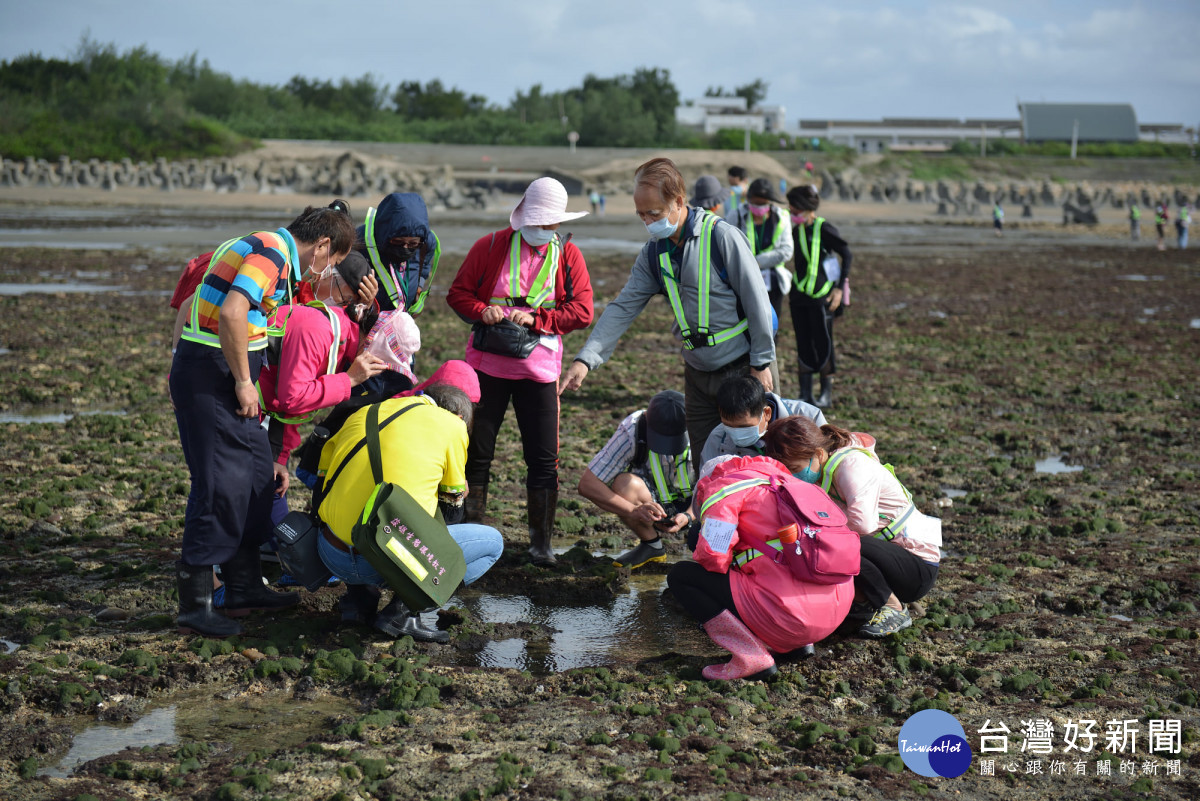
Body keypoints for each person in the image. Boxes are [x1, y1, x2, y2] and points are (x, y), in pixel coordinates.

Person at [170, 206, 356, 636]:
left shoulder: (271, 252)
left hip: (218, 371)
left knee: (257, 477)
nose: (327, 272)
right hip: (215, 375)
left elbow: (201, 302)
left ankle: (244, 586)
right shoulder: (273, 250)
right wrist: (242, 382)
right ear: (322, 246)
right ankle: (194, 606)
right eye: (333, 262)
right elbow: (234, 312)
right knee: (218, 486)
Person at [560, 158, 776, 460]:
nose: (648, 222)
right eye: (641, 215)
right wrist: (586, 360)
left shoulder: (721, 238)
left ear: (678, 201)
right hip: (697, 374)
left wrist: (762, 362)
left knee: (757, 460)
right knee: (706, 464)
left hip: (743, 367)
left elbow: (758, 303)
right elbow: (623, 307)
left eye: (654, 213)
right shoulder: (653, 253)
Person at [446, 177, 593, 565]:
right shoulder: (490, 246)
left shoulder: (569, 255)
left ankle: (540, 546)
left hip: (540, 371)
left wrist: (537, 319)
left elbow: (583, 310)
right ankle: (469, 537)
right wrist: (483, 311)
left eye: (550, 224)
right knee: (476, 454)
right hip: (487, 368)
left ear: (558, 224)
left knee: (544, 460)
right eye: (537, 221)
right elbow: (458, 294)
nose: (543, 229)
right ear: (523, 215)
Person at [314, 385, 504, 641]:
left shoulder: (363, 413)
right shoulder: (452, 426)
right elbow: (452, 509)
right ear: (460, 417)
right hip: (383, 564)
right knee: (493, 543)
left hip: (331, 554)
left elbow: (322, 481)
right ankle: (404, 611)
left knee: (364, 509)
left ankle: (359, 603)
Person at [666, 453, 854, 680]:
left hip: (790, 618)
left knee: (681, 576)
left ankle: (750, 657)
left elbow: (712, 556)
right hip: (835, 612)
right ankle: (798, 647)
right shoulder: (792, 483)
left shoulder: (724, 489)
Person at [762, 416, 941, 638]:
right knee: (823, 543)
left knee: (834, 544)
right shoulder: (822, 474)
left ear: (818, 453)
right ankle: (865, 603)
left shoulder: (851, 466)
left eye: (795, 468)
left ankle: (893, 607)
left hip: (918, 566)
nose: (793, 475)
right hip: (888, 555)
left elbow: (863, 524)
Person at [579, 390, 695, 570]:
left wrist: (690, 515)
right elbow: (588, 484)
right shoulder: (634, 428)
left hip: (699, 502)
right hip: (653, 501)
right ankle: (652, 546)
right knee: (624, 484)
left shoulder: (706, 428)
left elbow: (722, 486)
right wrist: (634, 510)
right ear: (647, 419)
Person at [786, 184, 851, 409]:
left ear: (805, 208)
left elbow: (846, 254)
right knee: (803, 342)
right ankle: (805, 393)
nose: (792, 214)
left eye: (794, 210)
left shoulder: (825, 229)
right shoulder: (795, 231)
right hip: (798, 297)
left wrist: (839, 288)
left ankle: (825, 395)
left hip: (822, 297)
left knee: (824, 343)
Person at [700, 375, 825, 468]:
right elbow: (707, 483)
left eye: (744, 427)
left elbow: (833, 464)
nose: (736, 434)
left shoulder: (809, 417)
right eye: (728, 425)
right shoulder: (718, 439)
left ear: (767, 413)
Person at [725, 177, 794, 325]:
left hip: (773, 282)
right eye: (755, 203)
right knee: (746, 325)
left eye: (763, 204)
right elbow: (727, 247)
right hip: (744, 281)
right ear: (748, 200)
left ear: (770, 202)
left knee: (771, 324)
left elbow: (787, 250)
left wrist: (756, 262)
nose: (759, 208)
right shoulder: (735, 216)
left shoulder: (782, 218)